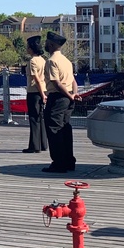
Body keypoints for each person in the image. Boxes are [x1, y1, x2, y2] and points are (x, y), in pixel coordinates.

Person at [42, 31, 79, 174]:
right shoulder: (66, 61)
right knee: (65, 129)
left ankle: (58, 163)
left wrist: (69, 96)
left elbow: (56, 83)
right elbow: (73, 81)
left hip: (58, 97)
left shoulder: (52, 61)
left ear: (50, 45)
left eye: (46, 43)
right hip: (68, 96)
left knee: (54, 129)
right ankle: (69, 160)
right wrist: (74, 94)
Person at [23, 35, 49, 153]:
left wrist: (41, 94)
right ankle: (43, 143)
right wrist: (44, 94)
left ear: (31, 48)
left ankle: (34, 145)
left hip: (34, 91)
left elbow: (36, 79)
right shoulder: (43, 60)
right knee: (41, 117)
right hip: (43, 90)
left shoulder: (32, 61)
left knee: (34, 118)